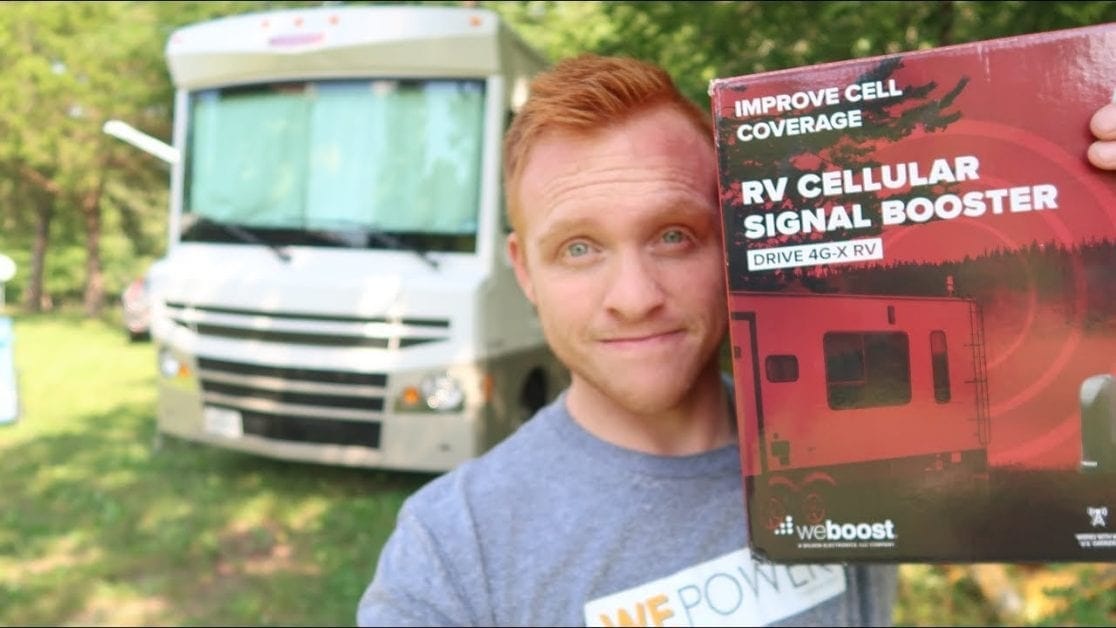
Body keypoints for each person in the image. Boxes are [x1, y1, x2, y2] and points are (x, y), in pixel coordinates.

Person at [358, 54, 1116, 627]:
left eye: (675, 235)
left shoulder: (869, 443)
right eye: (579, 249)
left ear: (734, 244)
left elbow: (1058, 515)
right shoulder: (453, 549)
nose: (633, 298)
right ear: (525, 270)